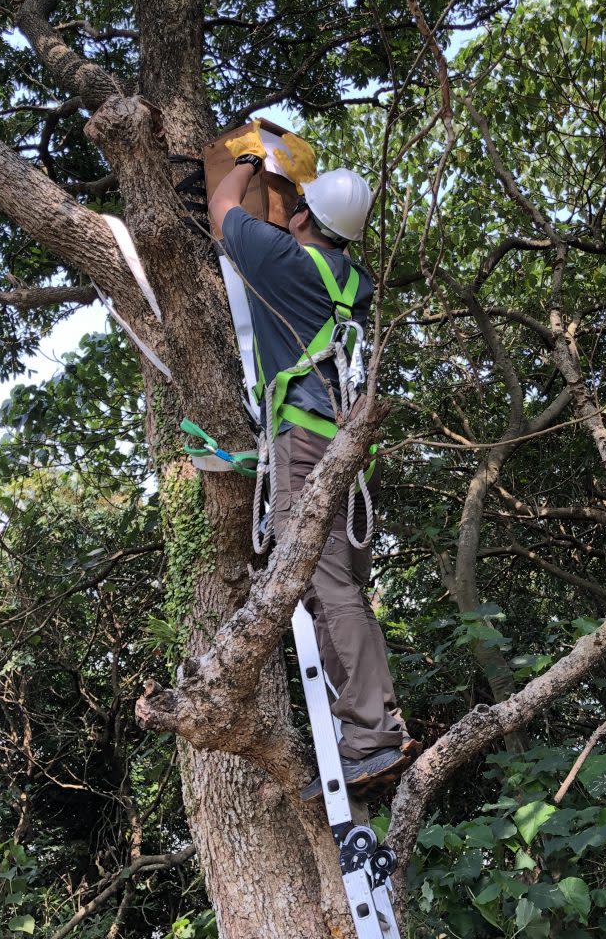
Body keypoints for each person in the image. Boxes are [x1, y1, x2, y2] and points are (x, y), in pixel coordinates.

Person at [208, 123, 421, 799]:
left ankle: (371, 735)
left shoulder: (284, 262)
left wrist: (244, 161)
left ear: (302, 215)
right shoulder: (350, 279)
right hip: (352, 453)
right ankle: (369, 724)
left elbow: (222, 213)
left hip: (305, 445)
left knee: (325, 589)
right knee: (343, 590)